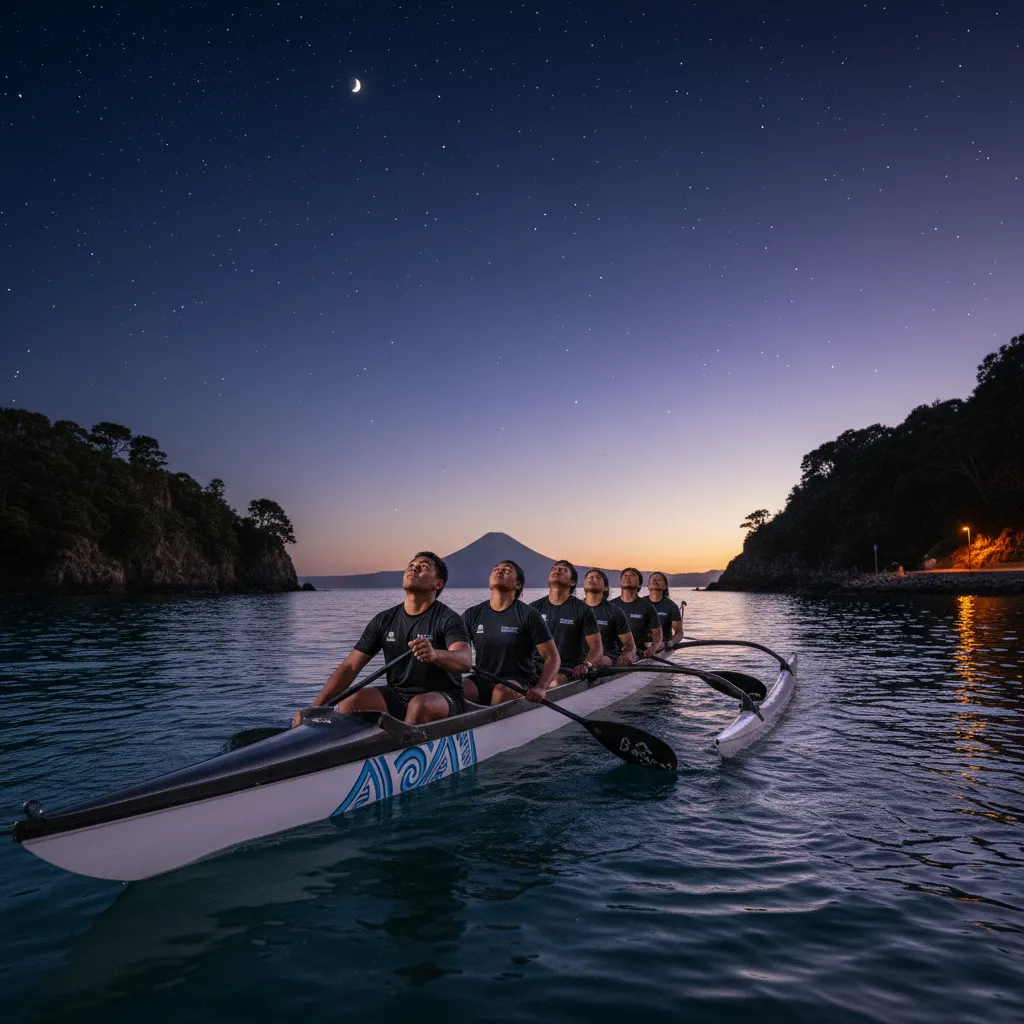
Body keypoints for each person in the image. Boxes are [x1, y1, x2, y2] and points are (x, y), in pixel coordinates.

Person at [292, 551, 471, 726]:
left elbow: (465, 660)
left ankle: (401, 751)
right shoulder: (384, 620)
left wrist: (435, 655)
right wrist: (315, 708)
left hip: (444, 697)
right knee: (349, 702)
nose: (413, 569)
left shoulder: (448, 618)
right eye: (411, 566)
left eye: (423, 567)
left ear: (438, 584)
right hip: (398, 694)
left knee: (419, 705)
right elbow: (350, 667)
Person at [462, 559, 560, 705]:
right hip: (483, 678)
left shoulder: (529, 615)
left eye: (507, 570)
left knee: (501, 691)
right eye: (496, 569)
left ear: (517, 584)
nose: (499, 571)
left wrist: (541, 687)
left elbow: (552, 657)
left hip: (519, 681)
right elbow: (456, 650)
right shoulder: (472, 614)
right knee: (461, 688)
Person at [529, 560, 603, 683]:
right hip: (534, 667)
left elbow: (597, 647)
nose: (557, 570)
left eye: (563, 570)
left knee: (555, 682)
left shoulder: (583, 609)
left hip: (565, 669)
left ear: (572, 582)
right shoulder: (533, 608)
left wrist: (586, 664)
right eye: (554, 569)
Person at [581, 568, 637, 666]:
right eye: (589, 577)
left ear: (606, 588)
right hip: (579, 657)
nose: (592, 579)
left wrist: (628, 655)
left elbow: (629, 645)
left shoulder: (615, 611)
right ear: (584, 584)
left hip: (605, 657)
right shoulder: (574, 608)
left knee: (596, 662)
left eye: (597, 577)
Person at [610, 567, 662, 659]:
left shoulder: (647, 606)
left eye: (632, 575)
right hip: (612, 650)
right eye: (625, 576)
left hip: (637, 651)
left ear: (639, 585)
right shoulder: (610, 605)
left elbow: (657, 635)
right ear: (620, 583)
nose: (627, 577)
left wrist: (653, 648)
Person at [646, 572, 683, 650]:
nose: (656, 581)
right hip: (642, 645)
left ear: (665, 586)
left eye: (659, 580)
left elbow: (679, 633)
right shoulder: (639, 603)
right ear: (648, 586)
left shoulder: (671, 606)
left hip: (662, 645)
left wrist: (671, 642)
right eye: (653, 580)